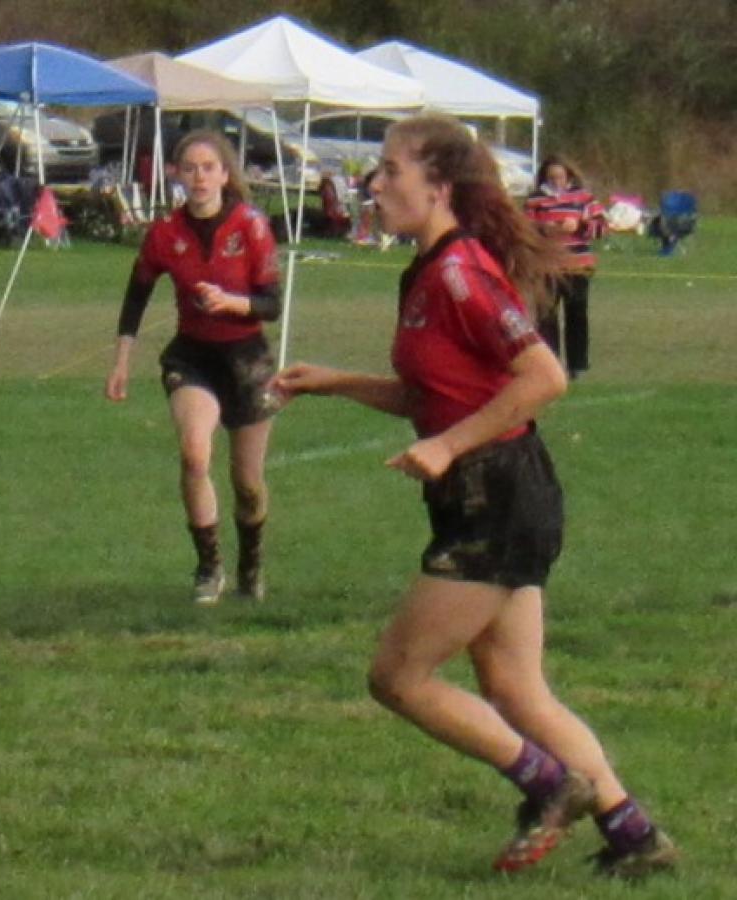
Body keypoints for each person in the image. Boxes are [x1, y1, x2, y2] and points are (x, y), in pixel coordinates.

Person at [273, 115, 677, 878]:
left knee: (397, 677)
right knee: (517, 690)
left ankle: (550, 784)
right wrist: (337, 382)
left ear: (439, 186)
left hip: (498, 498)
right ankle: (635, 837)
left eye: (391, 170)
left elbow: (543, 378)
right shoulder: (425, 272)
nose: (376, 183)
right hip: (498, 493)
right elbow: (436, 394)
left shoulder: (461, 272)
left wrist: (450, 445)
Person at [104, 129, 282, 605]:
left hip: (246, 357)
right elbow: (136, 294)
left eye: (209, 167)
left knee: (247, 484)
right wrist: (122, 359)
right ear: (177, 175)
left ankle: (251, 562)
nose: (199, 177)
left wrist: (232, 302)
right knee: (194, 455)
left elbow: (271, 304)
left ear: (225, 174)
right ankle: (209, 568)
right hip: (193, 357)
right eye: (190, 168)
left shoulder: (251, 226)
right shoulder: (165, 234)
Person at [524, 156, 605, 379]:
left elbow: (602, 227)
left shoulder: (584, 198)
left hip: (577, 266)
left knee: (577, 313)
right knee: (546, 316)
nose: (556, 181)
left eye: (559, 176)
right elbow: (524, 229)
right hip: (547, 267)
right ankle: (550, 364)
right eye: (551, 177)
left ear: (568, 176)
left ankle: (578, 365)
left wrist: (580, 224)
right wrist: (543, 228)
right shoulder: (535, 200)